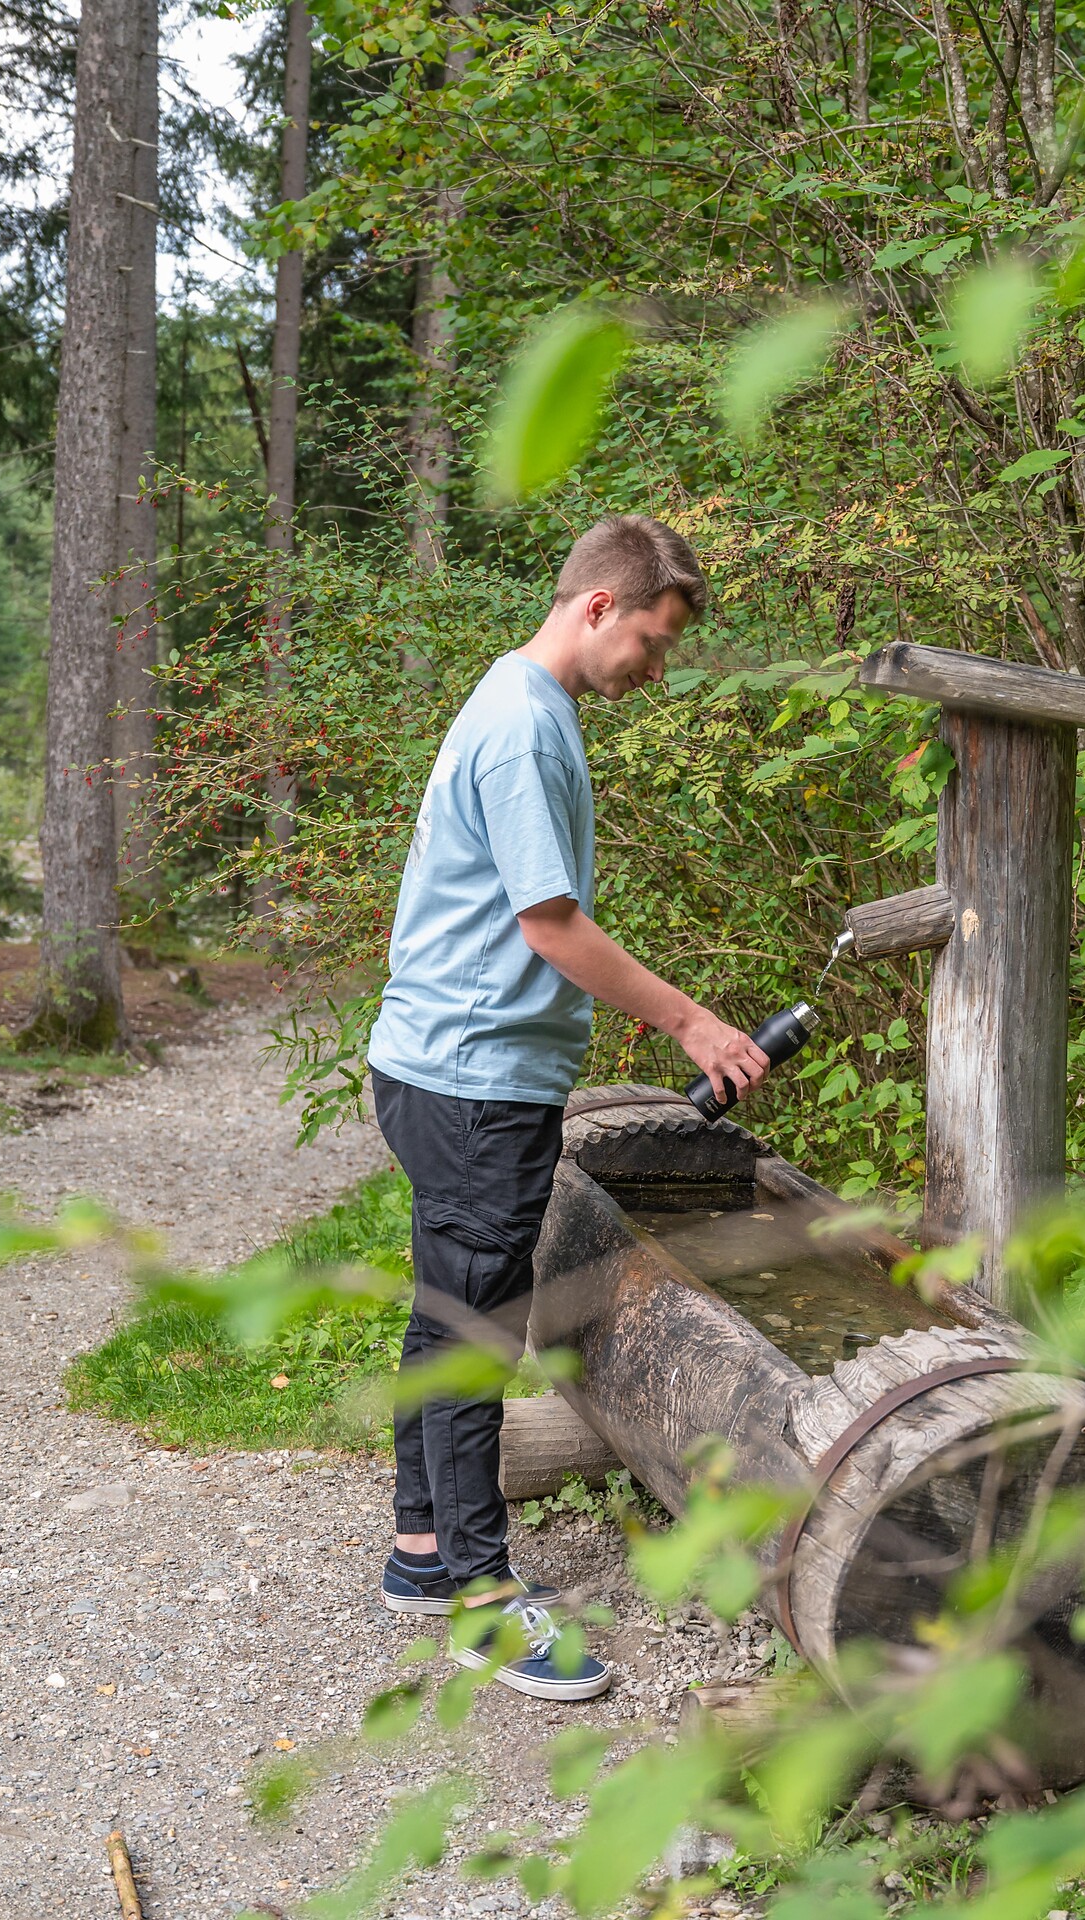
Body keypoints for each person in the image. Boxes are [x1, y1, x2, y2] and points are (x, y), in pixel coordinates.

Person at [367, 515, 771, 1702]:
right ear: (598, 606)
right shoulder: (523, 732)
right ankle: (484, 1602)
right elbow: (551, 927)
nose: (655, 669)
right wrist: (690, 1023)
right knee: (473, 1333)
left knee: (448, 1319)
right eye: (650, 641)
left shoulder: (517, 703)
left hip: (451, 1074)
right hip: (471, 1083)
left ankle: (421, 1551)